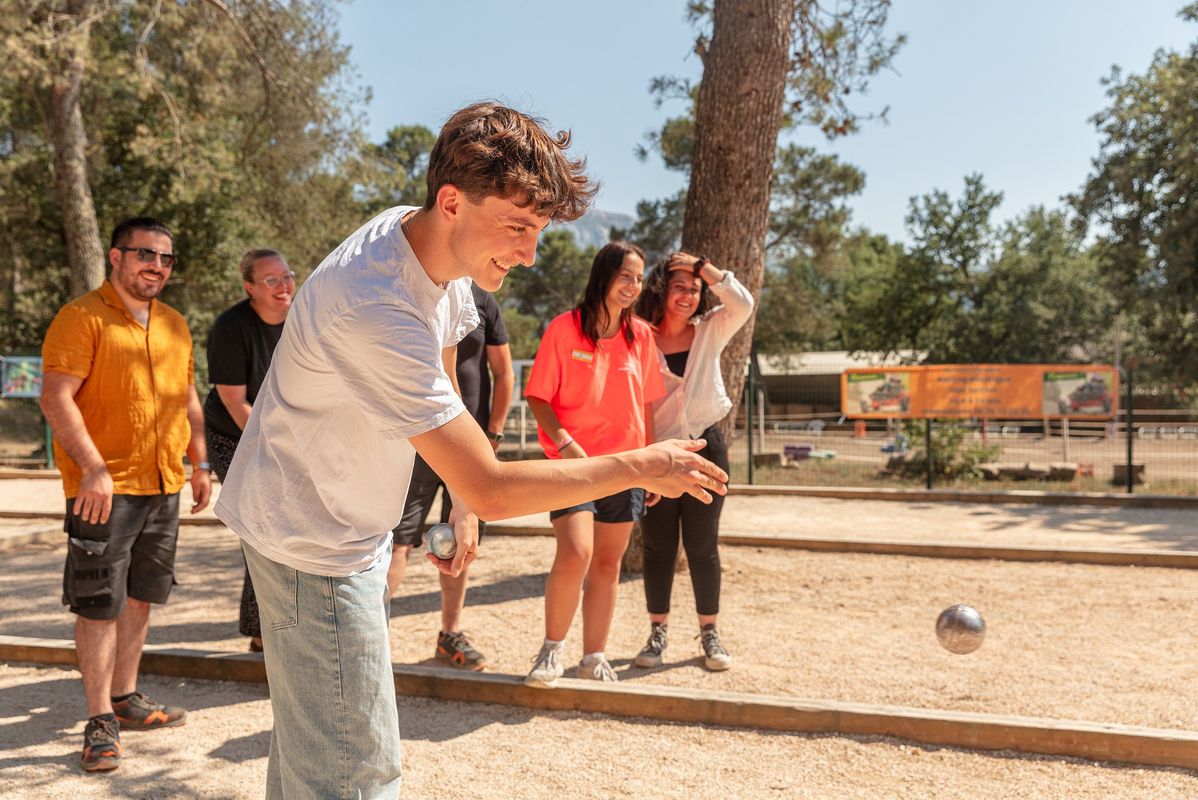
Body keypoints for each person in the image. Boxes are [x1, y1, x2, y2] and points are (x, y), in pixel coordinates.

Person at [213, 102, 727, 800]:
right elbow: (492, 485)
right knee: (355, 771)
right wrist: (640, 464)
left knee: (314, 756)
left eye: (538, 232)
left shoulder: (432, 245)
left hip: (336, 521)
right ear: (452, 201)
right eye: (516, 228)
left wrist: (459, 497)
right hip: (310, 541)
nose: (528, 252)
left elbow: (450, 361)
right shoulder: (373, 303)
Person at [39, 217, 213, 773]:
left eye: (166, 258)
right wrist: (92, 468)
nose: (156, 266)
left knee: (141, 597)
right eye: (145, 254)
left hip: (164, 484)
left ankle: (125, 696)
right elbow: (56, 398)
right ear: (115, 257)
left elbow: (188, 401)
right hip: (103, 490)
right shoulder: (80, 317)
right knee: (98, 605)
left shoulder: (175, 325)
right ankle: (99, 721)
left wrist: (200, 463)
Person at [522, 240, 664, 687]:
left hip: (627, 467)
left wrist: (653, 464)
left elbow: (648, 408)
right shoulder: (564, 329)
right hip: (574, 467)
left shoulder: (641, 335)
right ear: (603, 275)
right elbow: (538, 396)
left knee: (607, 564)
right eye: (626, 276)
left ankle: (593, 657)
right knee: (576, 552)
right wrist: (563, 443)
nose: (633, 286)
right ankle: (551, 651)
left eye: (639, 279)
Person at [632, 252, 753, 671]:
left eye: (695, 289)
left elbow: (743, 303)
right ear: (663, 290)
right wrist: (644, 467)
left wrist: (703, 267)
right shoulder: (639, 335)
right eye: (679, 286)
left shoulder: (710, 329)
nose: (687, 295)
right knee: (658, 547)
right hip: (660, 453)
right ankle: (657, 632)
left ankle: (709, 633)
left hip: (707, 446)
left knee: (702, 546)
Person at [387, 281, 514, 670]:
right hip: (418, 439)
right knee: (396, 541)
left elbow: (503, 373)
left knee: (462, 538)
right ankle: (370, 638)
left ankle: (450, 635)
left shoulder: (482, 299)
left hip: (470, 442)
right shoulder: (411, 288)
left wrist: (491, 433)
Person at [203, 248, 295, 653]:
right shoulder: (231, 327)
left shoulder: (301, 321)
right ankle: (261, 633)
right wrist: (277, 447)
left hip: (285, 435)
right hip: (234, 434)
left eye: (287, 276)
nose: (284, 286)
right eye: (271, 280)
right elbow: (233, 400)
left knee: (287, 524)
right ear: (249, 288)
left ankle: (280, 623)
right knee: (261, 524)